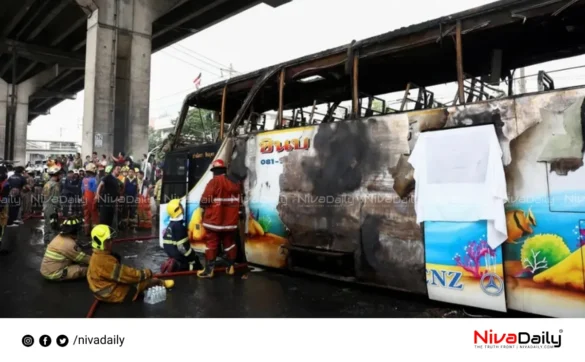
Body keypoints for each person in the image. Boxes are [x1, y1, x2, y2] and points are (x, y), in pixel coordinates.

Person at [87, 224, 174, 303]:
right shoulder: (105, 262)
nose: (112, 242)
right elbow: (128, 275)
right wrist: (147, 273)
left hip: (102, 292)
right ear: (100, 242)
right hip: (115, 294)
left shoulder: (96, 256)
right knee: (144, 282)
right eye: (108, 241)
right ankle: (160, 282)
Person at [197, 159, 242, 278]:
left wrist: (202, 205)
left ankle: (209, 271)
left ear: (214, 171)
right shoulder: (235, 183)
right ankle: (231, 267)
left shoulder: (214, 182)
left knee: (211, 244)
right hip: (230, 223)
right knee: (230, 243)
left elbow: (205, 200)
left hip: (214, 222)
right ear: (224, 170)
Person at [161, 199, 203, 273]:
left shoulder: (171, 224)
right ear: (177, 210)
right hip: (178, 255)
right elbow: (182, 248)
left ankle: (172, 262)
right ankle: (177, 266)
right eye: (180, 206)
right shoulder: (179, 227)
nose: (182, 208)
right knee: (195, 264)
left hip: (171, 253)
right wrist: (193, 257)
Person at [43, 166, 62, 242]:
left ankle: (46, 240)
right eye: (59, 175)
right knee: (53, 225)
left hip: (46, 206)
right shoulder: (55, 185)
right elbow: (55, 198)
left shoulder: (47, 184)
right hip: (52, 207)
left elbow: (44, 195)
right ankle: (52, 243)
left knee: (47, 224)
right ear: (56, 175)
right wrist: (59, 209)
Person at [82, 163, 99, 236]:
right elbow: (95, 191)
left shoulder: (84, 180)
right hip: (92, 199)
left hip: (84, 198)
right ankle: (95, 233)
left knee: (86, 216)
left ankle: (86, 232)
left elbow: (82, 190)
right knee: (94, 216)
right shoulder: (94, 180)